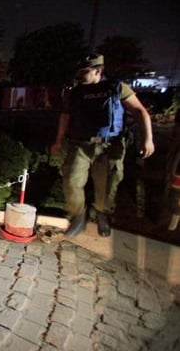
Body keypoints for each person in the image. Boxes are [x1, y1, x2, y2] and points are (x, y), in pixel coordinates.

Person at [51, 53, 154, 238]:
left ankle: (102, 215)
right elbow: (65, 115)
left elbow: (140, 111)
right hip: (80, 145)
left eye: (85, 71)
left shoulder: (117, 88)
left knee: (107, 187)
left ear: (98, 70)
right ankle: (78, 216)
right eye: (79, 71)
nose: (80, 75)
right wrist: (58, 140)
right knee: (71, 182)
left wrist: (148, 139)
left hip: (109, 146)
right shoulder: (75, 93)